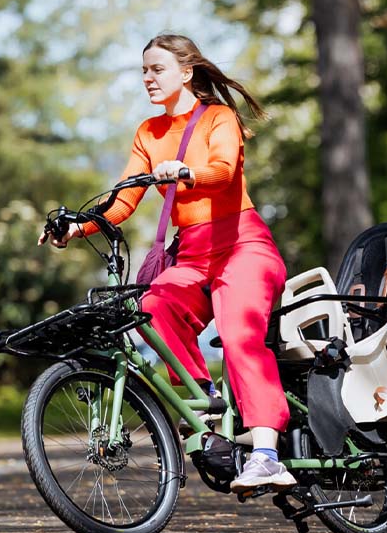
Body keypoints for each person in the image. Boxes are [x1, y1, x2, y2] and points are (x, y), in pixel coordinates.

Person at [39, 33, 295, 490]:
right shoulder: (148, 132)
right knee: (153, 309)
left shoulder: (219, 118)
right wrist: (76, 228)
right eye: (143, 71)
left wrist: (188, 173)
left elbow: (224, 171)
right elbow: (122, 202)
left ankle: (266, 452)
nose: (148, 79)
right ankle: (207, 404)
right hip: (193, 253)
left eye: (157, 70)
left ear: (186, 72)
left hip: (243, 245)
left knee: (239, 335)